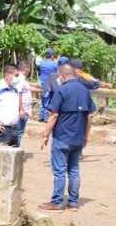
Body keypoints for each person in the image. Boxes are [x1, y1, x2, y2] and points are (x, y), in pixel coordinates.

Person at [39, 64, 96, 212]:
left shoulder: (62, 90)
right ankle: (73, 203)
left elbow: (54, 115)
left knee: (59, 171)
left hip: (62, 137)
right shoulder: (85, 91)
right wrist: (86, 136)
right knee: (74, 169)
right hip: (78, 138)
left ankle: (57, 202)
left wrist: (45, 134)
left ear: (62, 76)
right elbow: (90, 115)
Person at [14, 61, 33, 147]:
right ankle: (15, 150)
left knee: (19, 132)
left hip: (24, 110)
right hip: (22, 111)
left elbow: (27, 89)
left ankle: (15, 149)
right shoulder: (20, 80)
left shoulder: (21, 79)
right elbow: (19, 94)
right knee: (18, 132)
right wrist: (21, 109)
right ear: (26, 69)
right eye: (29, 68)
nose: (29, 70)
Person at [37, 49, 58, 122]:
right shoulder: (54, 64)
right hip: (50, 84)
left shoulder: (42, 63)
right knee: (48, 101)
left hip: (42, 84)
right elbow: (57, 73)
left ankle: (41, 116)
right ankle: (46, 118)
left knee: (43, 100)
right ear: (52, 56)